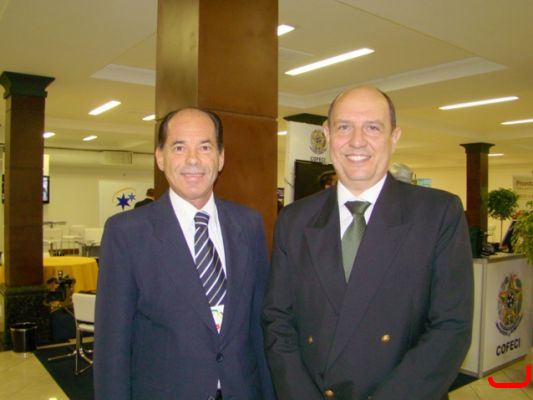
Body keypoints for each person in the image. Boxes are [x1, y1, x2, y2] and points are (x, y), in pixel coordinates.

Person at [262, 86, 473, 400]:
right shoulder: (295, 219)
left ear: (394, 136)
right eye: (344, 127)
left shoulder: (438, 214)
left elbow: (450, 327)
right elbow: (278, 320)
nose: (357, 141)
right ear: (327, 135)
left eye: (373, 127)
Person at [94, 107, 275, 400]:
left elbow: (258, 325)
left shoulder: (248, 224)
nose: (193, 159)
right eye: (179, 147)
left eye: (205, 147)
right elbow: (112, 345)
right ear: (160, 157)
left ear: (221, 158)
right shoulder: (127, 233)